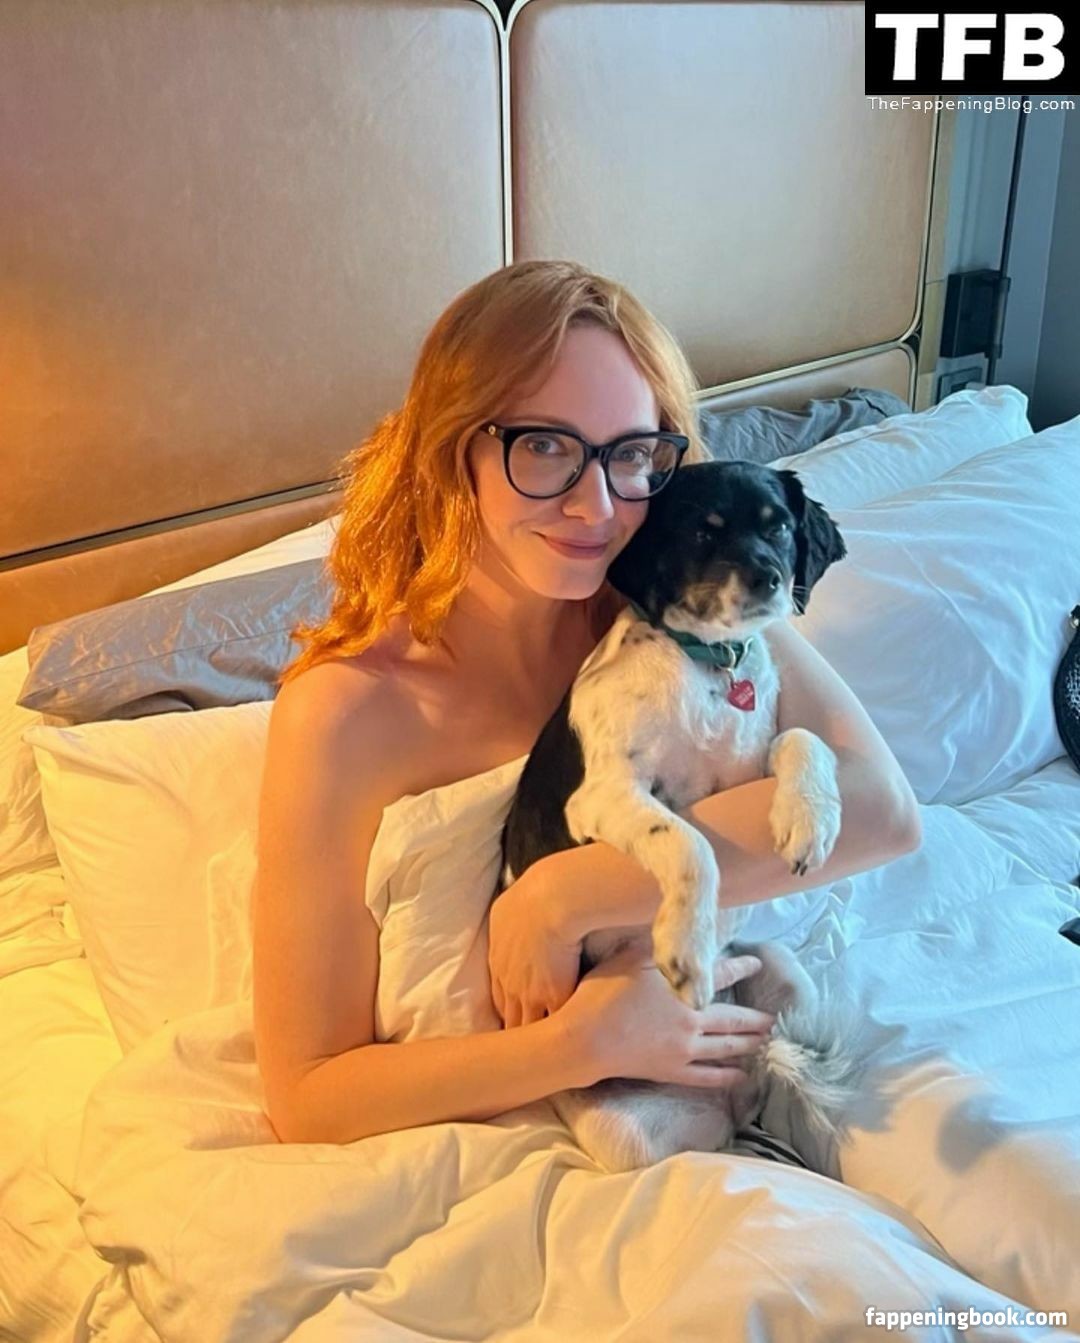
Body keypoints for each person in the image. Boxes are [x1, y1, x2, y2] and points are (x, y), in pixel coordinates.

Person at [251, 259, 921, 1147]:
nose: (596, 505)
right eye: (543, 446)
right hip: (534, 1126)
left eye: (631, 453)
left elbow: (884, 812)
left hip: (738, 1031)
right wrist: (576, 1046)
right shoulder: (347, 714)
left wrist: (558, 895)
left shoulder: (680, 602)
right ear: (453, 453)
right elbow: (307, 1095)